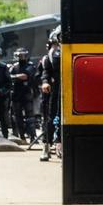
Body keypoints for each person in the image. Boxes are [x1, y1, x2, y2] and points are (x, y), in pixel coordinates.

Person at [40, 27, 63, 161]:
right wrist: (45, 82)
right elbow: (46, 71)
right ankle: (46, 146)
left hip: (74, 89)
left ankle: (61, 144)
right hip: (56, 89)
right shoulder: (52, 53)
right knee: (51, 117)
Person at [9, 48, 38, 143]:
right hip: (16, 94)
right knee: (17, 116)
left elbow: (25, 76)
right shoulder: (14, 66)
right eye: (19, 55)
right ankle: (21, 136)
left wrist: (15, 77)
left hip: (27, 93)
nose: (20, 57)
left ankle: (33, 136)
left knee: (30, 116)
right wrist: (17, 77)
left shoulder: (30, 65)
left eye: (22, 55)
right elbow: (8, 77)